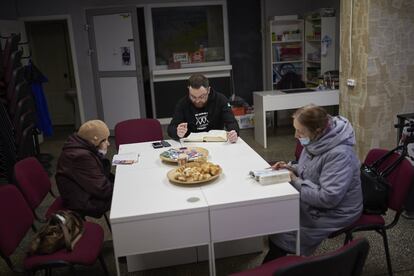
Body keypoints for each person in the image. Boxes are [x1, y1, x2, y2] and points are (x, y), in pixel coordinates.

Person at [263, 104, 363, 262]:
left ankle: (277, 266)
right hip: (319, 198)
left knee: (285, 230)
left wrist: (295, 180)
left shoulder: (340, 154)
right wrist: (290, 167)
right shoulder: (317, 139)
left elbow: (328, 198)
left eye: (300, 131)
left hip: (338, 210)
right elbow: (311, 168)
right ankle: (276, 262)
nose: (296, 135)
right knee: (278, 218)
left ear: (317, 131)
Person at [55, 120, 114, 218]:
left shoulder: (80, 146)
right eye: (104, 140)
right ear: (94, 141)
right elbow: (102, 189)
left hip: (86, 190)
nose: (108, 144)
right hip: (83, 200)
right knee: (125, 197)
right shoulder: (81, 157)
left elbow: (98, 177)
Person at [167, 74, 239, 143]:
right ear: (189, 90)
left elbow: (231, 122)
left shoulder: (220, 99)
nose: (197, 101)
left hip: (216, 141)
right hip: (191, 144)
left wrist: (233, 133)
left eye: (201, 97)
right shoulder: (182, 103)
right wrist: (177, 132)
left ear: (208, 90)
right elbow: (171, 128)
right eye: (193, 97)